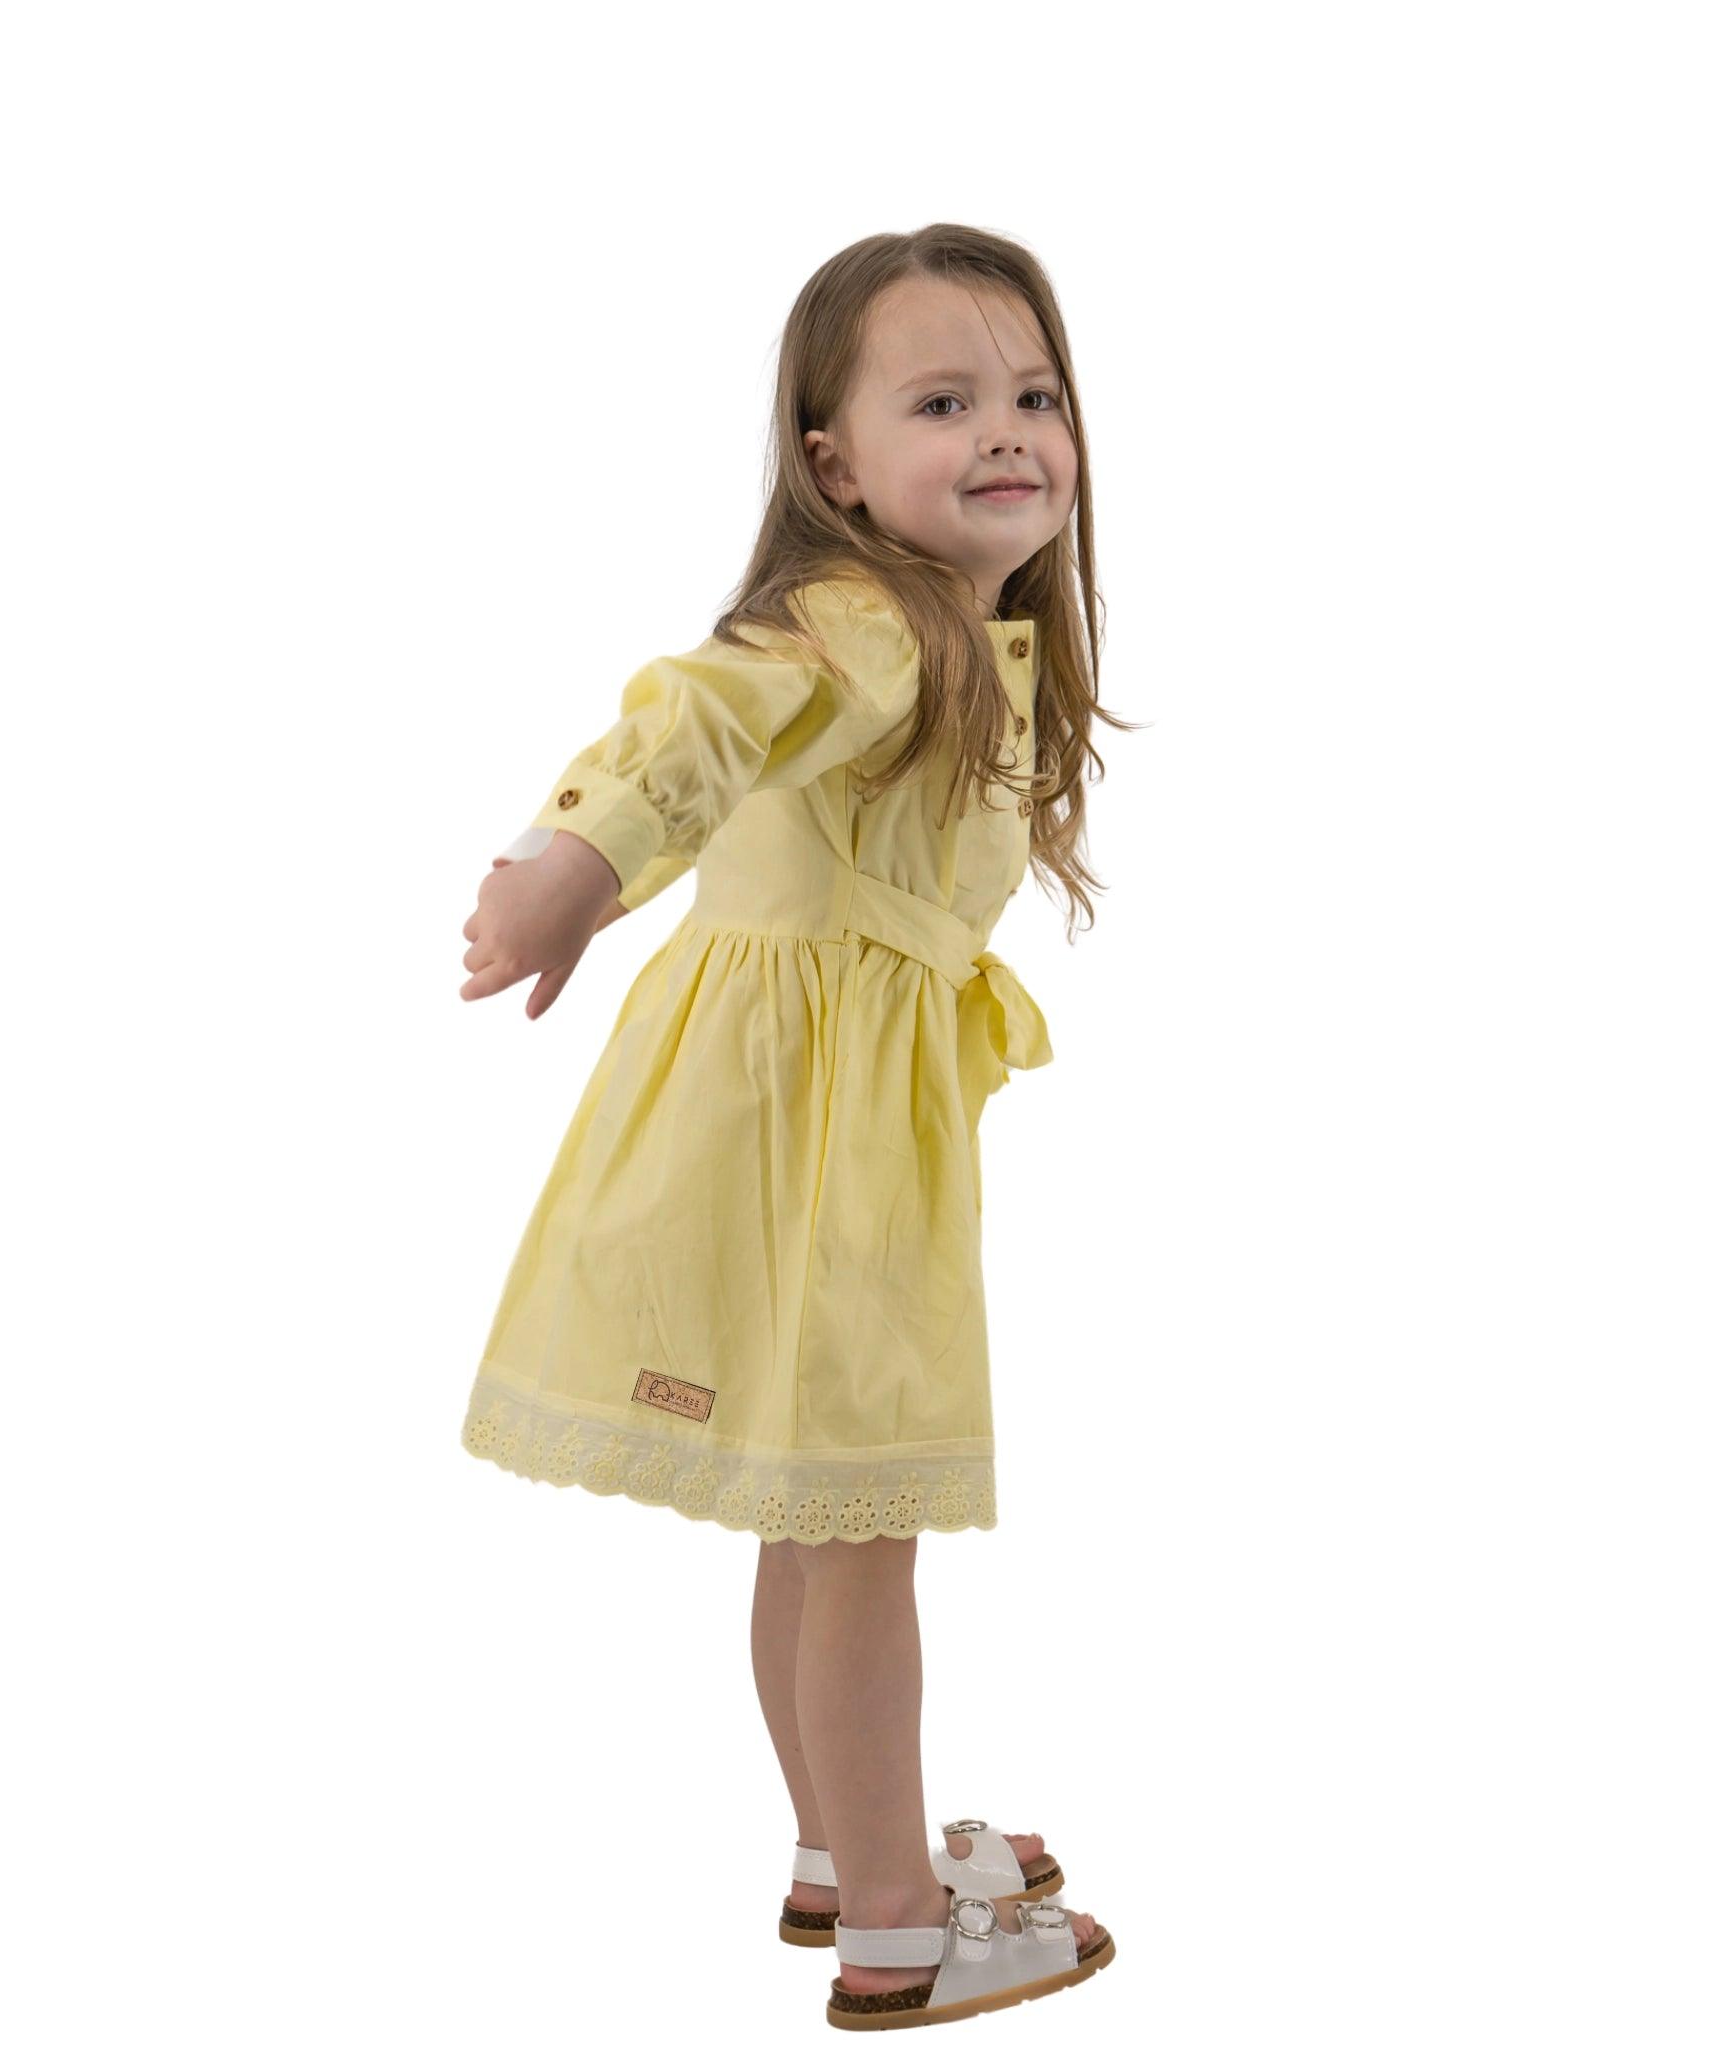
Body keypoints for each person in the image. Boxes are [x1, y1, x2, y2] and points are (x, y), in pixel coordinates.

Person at [457, 224, 1135, 2030]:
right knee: (857, 1533)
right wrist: (569, 866)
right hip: (816, 1148)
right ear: (835, 467)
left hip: (819, 1119)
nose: (1009, 433)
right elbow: (701, 716)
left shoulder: (956, 632)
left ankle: (848, 1844)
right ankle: (902, 1921)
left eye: (1036, 395)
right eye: (944, 402)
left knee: (820, 1519)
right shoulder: (863, 624)